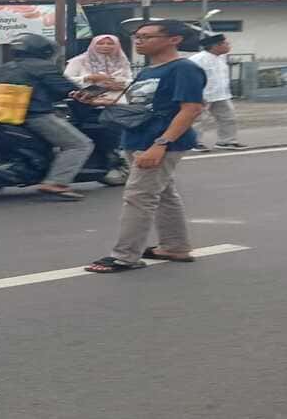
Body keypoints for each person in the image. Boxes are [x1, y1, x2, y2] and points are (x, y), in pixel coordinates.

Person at [83, 20, 206, 273]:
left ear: (174, 40)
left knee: (139, 197)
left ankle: (125, 256)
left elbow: (191, 109)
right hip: (137, 138)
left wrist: (161, 143)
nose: (139, 41)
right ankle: (175, 246)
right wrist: (98, 101)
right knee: (163, 194)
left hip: (159, 142)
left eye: (146, 37)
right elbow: (139, 106)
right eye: (137, 37)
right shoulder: (148, 71)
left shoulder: (183, 69)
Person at [0, 34, 94, 200]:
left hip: (1, 117)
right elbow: (66, 88)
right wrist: (89, 95)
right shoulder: (43, 66)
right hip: (33, 115)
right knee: (79, 144)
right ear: (44, 50)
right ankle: (56, 183)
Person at [188, 33, 244, 151]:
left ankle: (227, 141)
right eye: (226, 44)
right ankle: (193, 142)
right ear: (216, 46)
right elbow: (189, 78)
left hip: (221, 95)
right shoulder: (197, 59)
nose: (228, 46)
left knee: (228, 118)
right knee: (198, 120)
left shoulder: (221, 58)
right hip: (203, 95)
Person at [63, 34, 132, 104]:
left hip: (117, 102)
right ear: (93, 45)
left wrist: (121, 84)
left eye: (110, 44)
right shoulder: (78, 61)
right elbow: (65, 81)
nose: (105, 46)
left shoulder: (122, 61)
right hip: (85, 101)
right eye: (100, 43)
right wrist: (89, 78)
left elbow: (130, 80)